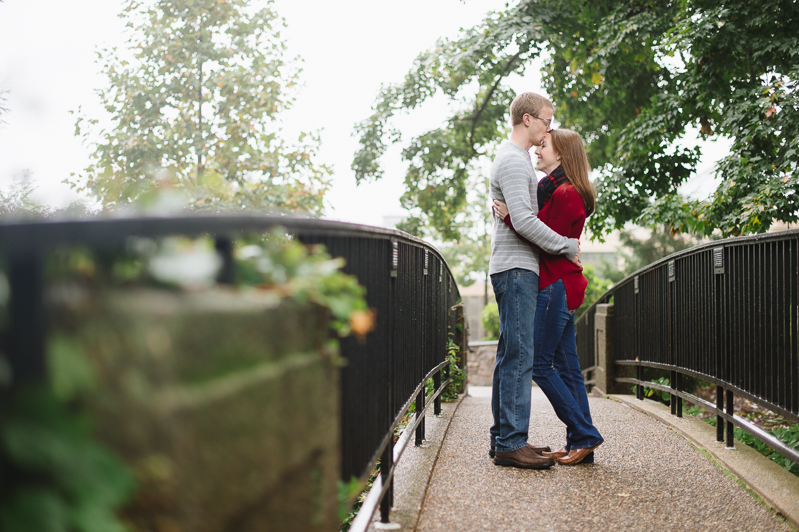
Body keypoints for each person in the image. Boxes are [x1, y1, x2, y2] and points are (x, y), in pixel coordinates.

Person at [493, 128, 604, 465]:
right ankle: (579, 444)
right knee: (569, 368)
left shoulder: (567, 193)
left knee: (540, 365)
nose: (538, 150)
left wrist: (511, 217)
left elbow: (541, 233)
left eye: (544, 146)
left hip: (555, 285)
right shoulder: (552, 188)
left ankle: (584, 435)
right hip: (559, 282)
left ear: (563, 155)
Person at [488, 92, 581, 470]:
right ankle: (511, 442)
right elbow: (525, 221)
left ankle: (503, 439)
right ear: (527, 119)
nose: (549, 128)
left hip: (516, 266)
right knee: (522, 355)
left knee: (511, 353)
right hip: (516, 267)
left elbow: (522, 216)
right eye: (546, 120)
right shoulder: (513, 161)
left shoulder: (518, 160)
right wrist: (565, 245)